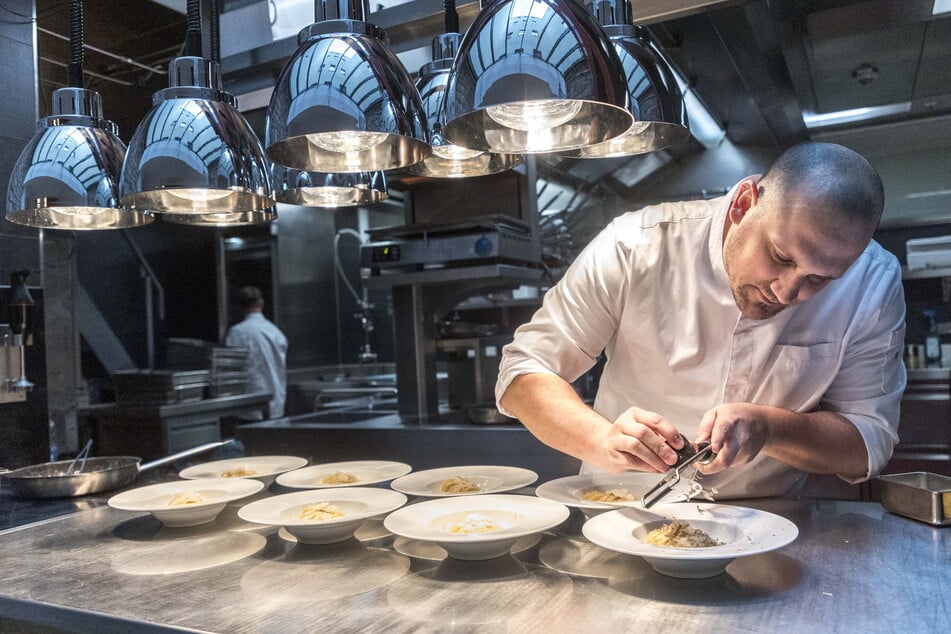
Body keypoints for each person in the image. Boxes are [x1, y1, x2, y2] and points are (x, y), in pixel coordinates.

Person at [496, 142, 907, 498]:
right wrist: (600, 438)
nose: (786, 291)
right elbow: (523, 371)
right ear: (745, 204)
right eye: (781, 258)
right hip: (621, 511)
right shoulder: (636, 245)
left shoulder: (871, 281)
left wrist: (772, 429)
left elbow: (869, 440)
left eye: (818, 280)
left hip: (764, 528)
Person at [226, 286, 288, 420]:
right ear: (262, 303)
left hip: (250, 407)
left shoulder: (237, 332)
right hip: (277, 404)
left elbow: (229, 369)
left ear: (240, 306)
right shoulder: (276, 332)